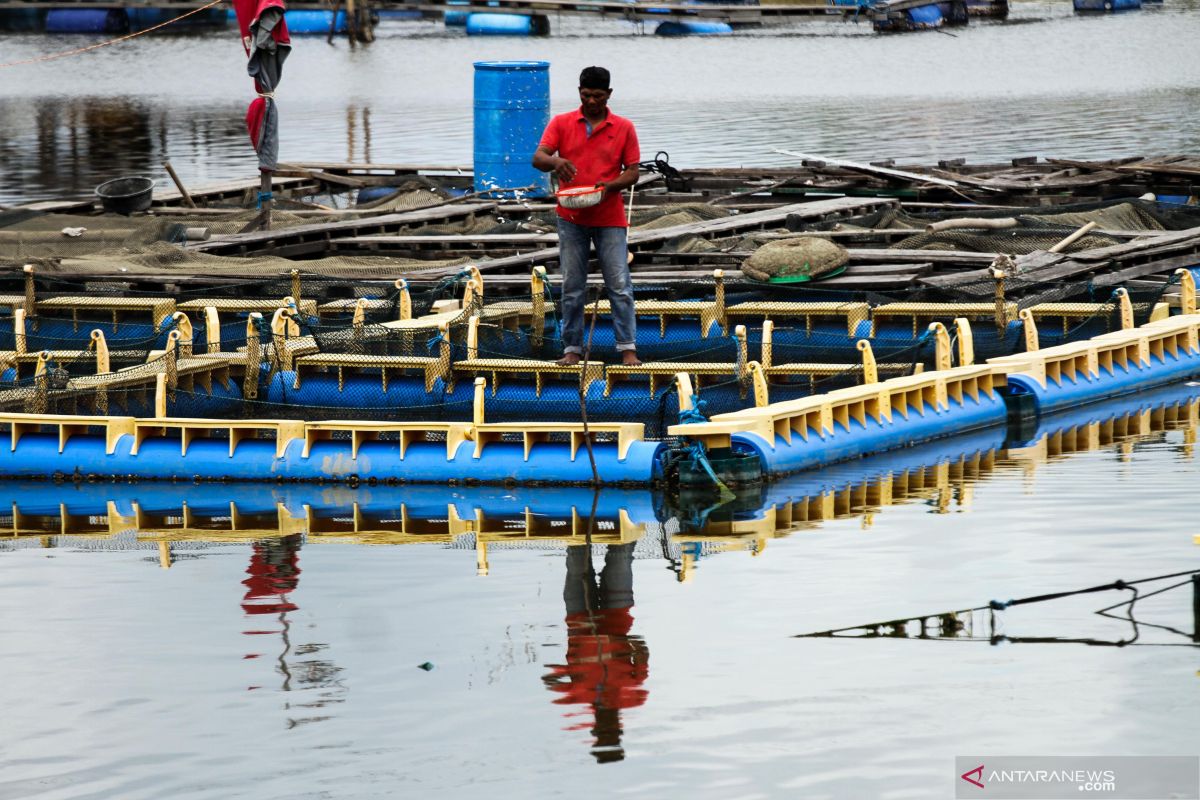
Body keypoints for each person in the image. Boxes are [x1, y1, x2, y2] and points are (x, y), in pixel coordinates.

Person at [532, 66, 642, 367]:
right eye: (585, 95)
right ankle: (572, 349)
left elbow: (633, 171)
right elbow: (538, 157)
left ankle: (628, 348)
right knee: (572, 286)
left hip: (609, 217)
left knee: (619, 284)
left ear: (608, 94)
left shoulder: (623, 127)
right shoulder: (562, 123)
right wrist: (556, 161)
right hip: (571, 217)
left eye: (597, 96)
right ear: (579, 92)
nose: (591, 101)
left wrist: (611, 186)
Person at [542, 543, 649, 763]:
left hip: (578, 615)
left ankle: (576, 514)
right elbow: (642, 652)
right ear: (619, 729)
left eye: (603, 732)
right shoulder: (635, 697)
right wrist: (623, 642)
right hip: (617, 614)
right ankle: (624, 514)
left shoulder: (574, 698)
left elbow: (547, 679)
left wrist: (565, 674)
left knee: (576, 555)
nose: (607, 726)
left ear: (594, 731)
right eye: (611, 732)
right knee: (621, 554)